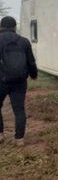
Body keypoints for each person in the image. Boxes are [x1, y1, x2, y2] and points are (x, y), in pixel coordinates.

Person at [0, 16, 37, 146]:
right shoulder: (24, 41)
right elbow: (31, 61)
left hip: (1, 81)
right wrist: (33, 75)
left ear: (1, 26)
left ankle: (0, 134)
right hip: (19, 81)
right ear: (15, 27)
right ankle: (19, 139)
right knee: (19, 110)